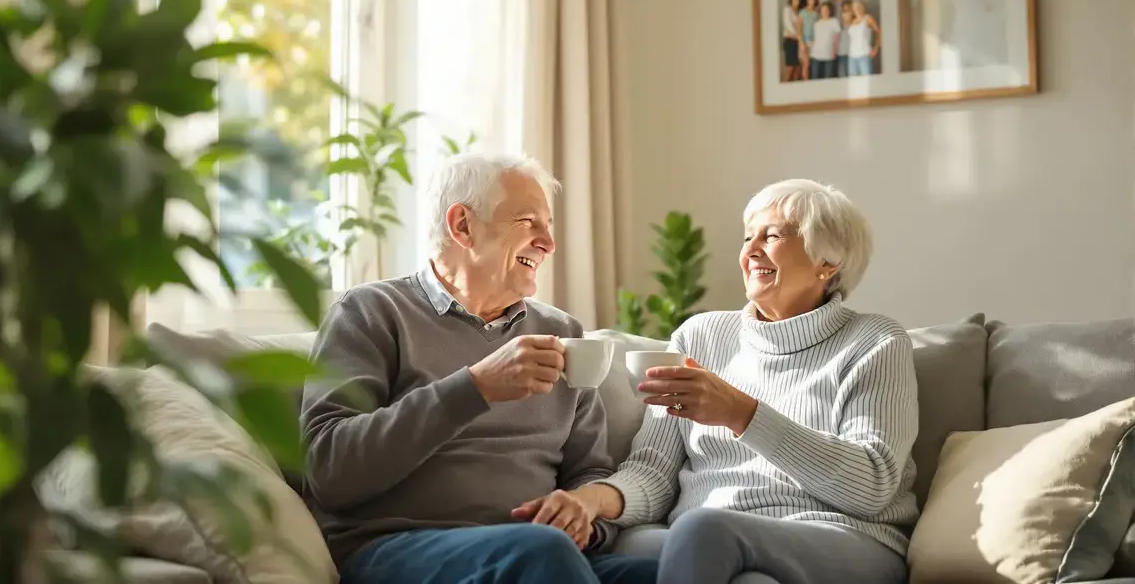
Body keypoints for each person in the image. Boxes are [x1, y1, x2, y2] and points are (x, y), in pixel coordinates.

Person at [301, 152, 658, 584]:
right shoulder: (371, 312)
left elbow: (589, 471)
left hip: (539, 555)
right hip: (396, 549)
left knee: (680, 571)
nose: (548, 243)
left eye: (548, 226)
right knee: (540, 552)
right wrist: (475, 387)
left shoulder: (562, 332)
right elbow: (328, 471)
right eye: (528, 222)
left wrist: (582, 515)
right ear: (463, 225)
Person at [569, 179, 919, 584]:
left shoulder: (875, 341)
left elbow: (872, 486)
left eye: (772, 236)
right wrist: (591, 500)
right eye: (748, 236)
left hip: (838, 538)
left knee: (703, 531)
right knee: (635, 547)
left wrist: (741, 413)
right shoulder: (699, 337)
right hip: (707, 541)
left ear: (828, 262)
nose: (750, 250)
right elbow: (653, 471)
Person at [848, 0, 881, 76]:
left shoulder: (867, 19)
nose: (857, 9)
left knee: (866, 80)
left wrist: (876, 48)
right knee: (853, 81)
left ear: (862, 7)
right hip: (852, 56)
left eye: (858, 6)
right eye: (855, 7)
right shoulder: (852, 21)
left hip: (864, 54)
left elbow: (878, 31)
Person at [808, 2, 841, 79]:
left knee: (828, 79)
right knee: (815, 78)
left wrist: (835, 50)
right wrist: (809, 49)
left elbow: (836, 38)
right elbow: (814, 39)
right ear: (820, 12)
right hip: (815, 54)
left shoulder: (834, 21)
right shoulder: (816, 24)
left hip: (829, 54)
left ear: (830, 11)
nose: (824, 12)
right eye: (822, 10)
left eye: (826, 10)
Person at [780, 0, 803, 82]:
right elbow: (788, 25)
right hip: (790, 41)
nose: (796, 0)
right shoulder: (787, 9)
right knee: (790, 68)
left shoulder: (800, 12)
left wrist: (799, 38)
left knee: (797, 68)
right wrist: (798, 36)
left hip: (798, 41)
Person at [799, 0, 820, 80]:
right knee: (806, 65)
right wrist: (801, 43)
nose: (812, 0)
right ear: (806, 0)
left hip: (814, 43)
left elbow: (818, 29)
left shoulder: (817, 14)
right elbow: (799, 30)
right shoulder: (802, 12)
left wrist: (815, 41)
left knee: (812, 65)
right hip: (804, 42)